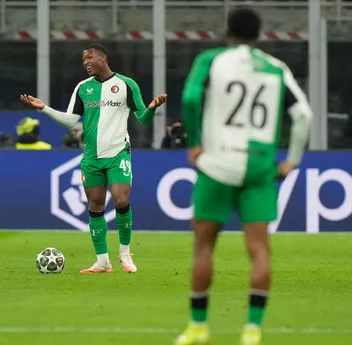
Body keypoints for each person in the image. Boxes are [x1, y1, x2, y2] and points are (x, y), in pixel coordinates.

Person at [175, 8, 312, 345]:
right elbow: (304, 115)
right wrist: (291, 161)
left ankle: (198, 327)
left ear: (228, 31)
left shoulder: (212, 59)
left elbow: (191, 97)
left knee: (204, 246)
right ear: (259, 34)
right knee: (260, 249)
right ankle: (252, 330)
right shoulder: (277, 68)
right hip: (259, 166)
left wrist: (194, 143)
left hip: (218, 163)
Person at [21, 43, 167, 274]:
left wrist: (151, 108)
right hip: (91, 157)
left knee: (120, 200)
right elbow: (71, 121)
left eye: (89, 57)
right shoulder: (82, 88)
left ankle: (125, 253)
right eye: (83, 60)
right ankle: (102, 262)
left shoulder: (127, 84)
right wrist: (44, 108)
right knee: (96, 205)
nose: (85, 62)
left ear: (103, 58)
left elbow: (143, 119)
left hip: (118, 152)